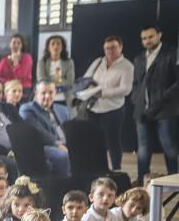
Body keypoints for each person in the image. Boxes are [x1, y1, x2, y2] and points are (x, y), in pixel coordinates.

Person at [131, 25, 179, 183]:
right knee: (143, 149)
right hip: (142, 110)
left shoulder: (172, 54)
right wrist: (136, 99)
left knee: (169, 147)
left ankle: (174, 178)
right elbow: (136, 83)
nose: (147, 41)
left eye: (150, 37)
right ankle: (140, 179)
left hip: (165, 110)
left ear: (159, 35)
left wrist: (162, 98)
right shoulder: (139, 58)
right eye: (144, 38)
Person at [81, 36, 134, 172]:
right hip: (93, 108)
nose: (110, 51)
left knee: (113, 142)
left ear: (121, 47)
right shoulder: (98, 61)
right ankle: (96, 168)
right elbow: (86, 78)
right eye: (107, 48)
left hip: (113, 109)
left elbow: (126, 89)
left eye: (113, 47)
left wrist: (102, 93)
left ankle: (116, 169)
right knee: (93, 140)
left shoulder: (127, 66)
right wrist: (90, 86)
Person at [20, 80, 71, 177]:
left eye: (51, 93)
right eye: (43, 93)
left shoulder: (63, 109)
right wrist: (58, 145)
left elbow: (71, 129)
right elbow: (39, 132)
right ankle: (65, 187)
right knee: (63, 156)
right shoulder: (27, 109)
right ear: (36, 94)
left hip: (65, 143)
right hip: (44, 146)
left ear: (55, 93)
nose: (47, 96)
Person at [36, 35, 75, 109]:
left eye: (58, 43)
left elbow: (70, 81)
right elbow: (41, 79)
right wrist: (59, 80)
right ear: (48, 47)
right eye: (53, 44)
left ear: (62, 46)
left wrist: (51, 79)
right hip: (45, 98)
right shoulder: (42, 61)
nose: (55, 46)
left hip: (63, 98)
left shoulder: (69, 62)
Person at [0, 34, 34, 100]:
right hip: (8, 88)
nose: (16, 45)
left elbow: (21, 77)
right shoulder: (4, 60)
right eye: (14, 43)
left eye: (19, 43)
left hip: (23, 88)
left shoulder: (27, 58)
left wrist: (16, 63)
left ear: (22, 45)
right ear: (10, 44)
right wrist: (8, 83)